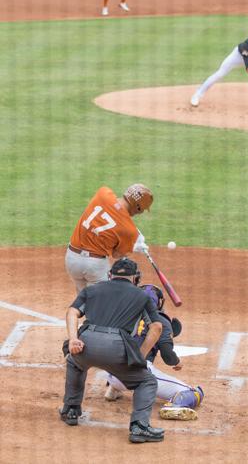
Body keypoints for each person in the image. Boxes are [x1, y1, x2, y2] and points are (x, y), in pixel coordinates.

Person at [60, 257, 165, 443]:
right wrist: (140, 356)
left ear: (110, 275)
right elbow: (156, 327)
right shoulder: (142, 296)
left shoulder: (91, 289)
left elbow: (72, 312)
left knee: (74, 362)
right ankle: (140, 427)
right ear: (135, 278)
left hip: (87, 344)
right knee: (146, 381)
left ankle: (71, 410)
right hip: (117, 348)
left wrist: (74, 339)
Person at [105, 284, 204, 421]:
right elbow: (167, 355)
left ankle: (114, 388)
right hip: (136, 374)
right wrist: (177, 361)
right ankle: (175, 406)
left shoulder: (121, 313)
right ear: (158, 302)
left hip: (111, 371)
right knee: (193, 393)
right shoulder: (160, 320)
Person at [65, 183, 152, 293]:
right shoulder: (130, 230)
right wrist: (133, 245)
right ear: (138, 208)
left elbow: (112, 211)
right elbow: (116, 255)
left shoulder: (103, 193)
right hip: (94, 267)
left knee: (82, 299)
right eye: (142, 209)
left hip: (71, 259)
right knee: (103, 301)